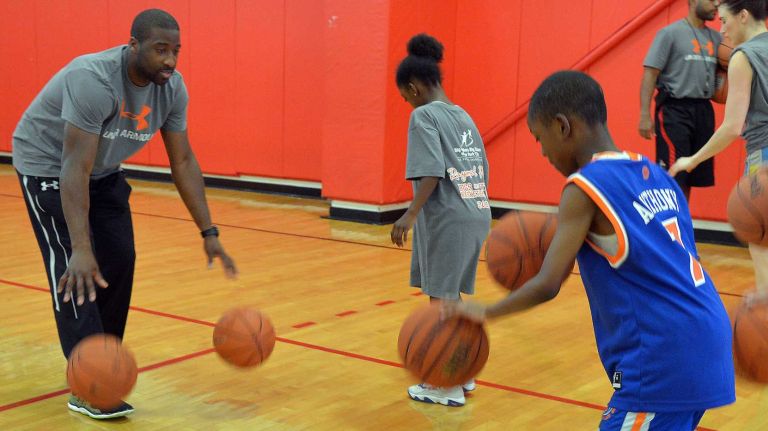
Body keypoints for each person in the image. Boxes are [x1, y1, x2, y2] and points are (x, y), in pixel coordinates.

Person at [447, 71, 735, 429]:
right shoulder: (658, 176)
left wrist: (482, 312)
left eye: (540, 139)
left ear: (562, 126)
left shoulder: (583, 188)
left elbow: (548, 283)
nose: (543, 152)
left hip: (661, 358)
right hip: (708, 337)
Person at [12, 9, 237, 419]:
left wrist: (209, 230)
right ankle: (89, 383)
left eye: (176, 51)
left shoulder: (172, 89)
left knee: (120, 259)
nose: (170, 60)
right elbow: (73, 167)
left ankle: (103, 368)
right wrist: (81, 247)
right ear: (133, 46)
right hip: (48, 165)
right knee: (75, 270)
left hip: (103, 171)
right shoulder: (93, 79)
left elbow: (183, 160)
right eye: (160, 49)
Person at [390, 33, 491, 407]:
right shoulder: (462, 114)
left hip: (447, 216)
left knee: (441, 301)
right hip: (476, 210)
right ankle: (464, 374)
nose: (406, 104)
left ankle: (445, 383)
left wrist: (410, 214)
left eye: (404, 97)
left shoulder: (424, 115)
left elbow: (431, 170)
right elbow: (482, 165)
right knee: (454, 298)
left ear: (414, 88)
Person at [670, 0, 768, 299]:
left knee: (760, 235)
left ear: (743, 15)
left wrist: (693, 159)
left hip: (762, 158)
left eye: (725, 21)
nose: (722, 30)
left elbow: (732, 127)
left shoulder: (743, 56)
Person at [639, 0, 721, 201]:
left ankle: (681, 223)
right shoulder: (669, 34)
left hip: (703, 110)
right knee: (674, 173)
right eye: (711, 0)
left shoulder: (718, 39)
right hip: (674, 110)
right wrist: (644, 114)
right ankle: (667, 225)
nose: (716, 4)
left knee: (690, 173)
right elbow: (650, 73)